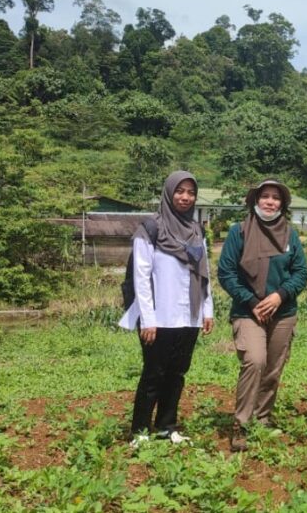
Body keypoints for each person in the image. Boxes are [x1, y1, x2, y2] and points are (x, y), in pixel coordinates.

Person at [118, 171, 214, 447]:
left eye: (191, 192)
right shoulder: (150, 230)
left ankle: (166, 426)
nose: (185, 197)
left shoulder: (197, 231)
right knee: (153, 373)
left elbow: (203, 274)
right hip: (159, 317)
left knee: (178, 373)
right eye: (180, 191)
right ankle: (139, 430)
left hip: (189, 315)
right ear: (169, 193)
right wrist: (148, 320)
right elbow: (141, 278)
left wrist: (207, 311)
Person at [217, 179, 307, 452]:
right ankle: (242, 424)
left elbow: (301, 272)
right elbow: (226, 273)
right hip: (248, 312)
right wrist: (252, 301)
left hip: (283, 312)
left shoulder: (290, 235)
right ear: (255, 201)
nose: (270, 202)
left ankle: (263, 417)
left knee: (273, 368)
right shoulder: (239, 232)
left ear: (283, 203)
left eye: (276, 198)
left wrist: (280, 294)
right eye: (265, 197)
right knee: (255, 361)